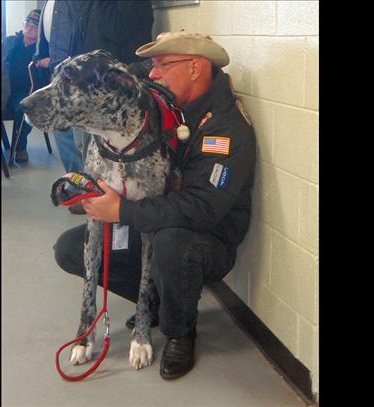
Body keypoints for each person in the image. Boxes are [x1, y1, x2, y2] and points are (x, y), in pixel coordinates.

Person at [54, 30, 256, 380]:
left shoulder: (225, 130)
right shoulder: (173, 107)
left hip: (204, 240)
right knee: (73, 248)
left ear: (195, 68)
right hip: (159, 223)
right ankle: (157, 302)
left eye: (163, 64)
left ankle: (180, 330)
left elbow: (200, 209)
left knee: (171, 244)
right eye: (152, 65)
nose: (153, 74)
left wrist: (121, 212)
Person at [34, 0, 154, 214]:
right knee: (75, 141)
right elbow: (75, 33)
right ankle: (85, 188)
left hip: (112, 88)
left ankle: (102, 196)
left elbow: (119, 31)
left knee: (97, 147)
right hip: (78, 81)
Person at [2, 9, 42, 163]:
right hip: (4, 88)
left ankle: (20, 147)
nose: (30, 26)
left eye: (35, 24)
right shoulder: (10, 41)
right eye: (28, 21)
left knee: (23, 106)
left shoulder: (41, 50)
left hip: (22, 92)